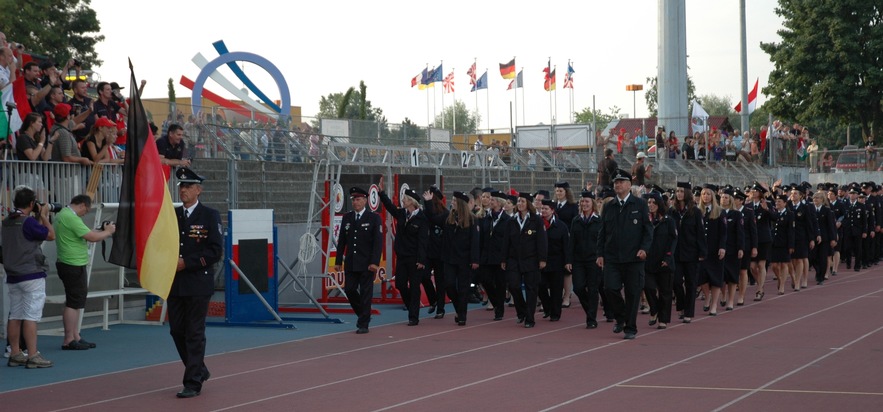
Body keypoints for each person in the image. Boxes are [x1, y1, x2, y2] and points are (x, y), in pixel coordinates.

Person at [168, 168, 223, 398]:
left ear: (198, 190)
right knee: (176, 331)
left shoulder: (209, 215)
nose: (183, 190)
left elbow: (215, 250)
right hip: (175, 283)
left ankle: (192, 382)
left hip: (198, 282)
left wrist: (188, 263)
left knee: (194, 332)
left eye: (188, 186)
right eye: (181, 186)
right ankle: (199, 368)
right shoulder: (172, 215)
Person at [53, 194, 116, 351]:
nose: (85, 214)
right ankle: (69, 339)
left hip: (69, 262)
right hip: (72, 263)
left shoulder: (63, 214)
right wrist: (107, 232)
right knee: (73, 302)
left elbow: (85, 233)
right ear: (82, 205)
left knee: (75, 301)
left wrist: (100, 230)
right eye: (86, 211)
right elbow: (92, 237)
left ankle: (75, 336)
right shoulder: (71, 217)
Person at [3, 186, 55, 369]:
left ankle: (16, 352)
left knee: (15, 315)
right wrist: (43, 216)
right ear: (32, 204)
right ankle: (33, 355)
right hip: (31, 274)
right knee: (31, 316)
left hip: (13, 275)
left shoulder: (7, 221)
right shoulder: (28, 222)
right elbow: (50, 235)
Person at [596, 169, 652, 339]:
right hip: (612, 257)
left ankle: (630, 328)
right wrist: (600, 253)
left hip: (634, 258)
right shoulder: (609, 205)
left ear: (629, 185)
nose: (618, 185)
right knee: (610, 288)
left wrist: (644, 249)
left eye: (621, 182)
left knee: (633, 293)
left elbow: (648, 231)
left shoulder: (640, 204)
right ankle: (621, 317)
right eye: (615, 182)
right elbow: (603, 232)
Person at [378, 179, 428, 326]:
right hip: (402, 256)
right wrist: (382, 193)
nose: (402, 201)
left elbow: (423, 240)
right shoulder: (401, 214)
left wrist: (421, 259)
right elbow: (389, 206)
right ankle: (410, 304)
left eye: (405, 199)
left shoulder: (422, 218)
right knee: (400, 283)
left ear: (412, 202)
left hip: (415, 258)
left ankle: (414, 316)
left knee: (414, 286)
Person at [334, 187, 383, 334]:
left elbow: (377, 243)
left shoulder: (373, 218)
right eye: (354, 200)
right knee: (349, 289)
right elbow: (342, 240)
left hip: (367, 263)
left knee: (366, 292)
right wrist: (338, 261)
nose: (355, 202)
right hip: (351, 262)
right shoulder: (347, 217)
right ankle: (363, 313)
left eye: (358, 199)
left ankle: (363, 324)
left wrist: (374, 262)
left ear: (365, 201)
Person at [501, 192, 546, 328]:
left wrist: (542, 258)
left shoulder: (536, 220)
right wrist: (504, 259)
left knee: (531, 288)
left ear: (528, 204)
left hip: (531, 259)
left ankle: (529, 318)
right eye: (519, 201)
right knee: (513, 285)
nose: (520, 204)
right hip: (514, 259)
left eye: (523, 201)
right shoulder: (512, 221)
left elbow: (541, 240)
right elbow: (506, 241)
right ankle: (521, 311)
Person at [434, 191, 479, 326]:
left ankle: (462, 315)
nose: (451, 202)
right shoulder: (449, 218)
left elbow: (475, 241)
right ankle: (459, 309)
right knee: (449, 285)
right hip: (449, 258)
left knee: (464, 288)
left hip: (465, 259)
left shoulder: (472, 220)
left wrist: (475, 259)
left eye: (454, 200)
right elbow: (432, 218)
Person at [566, 190, 604, 328]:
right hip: (578, 260)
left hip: (594, 260)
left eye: (587, 201)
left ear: (592, 203)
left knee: (593, 289)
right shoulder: (576, 220)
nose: (584, 204)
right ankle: (590, 310)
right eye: (582, 201)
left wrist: (602, 256)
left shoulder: (599, 221)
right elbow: (571, 242)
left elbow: (603, 241)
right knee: (578, 287)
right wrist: (569, 260)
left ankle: (591, 319)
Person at [670, 182, 706, 323]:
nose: (679, 193)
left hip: (692, 252)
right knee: (676, 281)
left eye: (681, 191)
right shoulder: (672, 211)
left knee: (691, 283)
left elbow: (700, 233)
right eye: (677, 191)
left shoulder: (695, 212)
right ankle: (681, 304)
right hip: (676, 253)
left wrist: (702, 252)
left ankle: (688, 312)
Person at [641, 191, 676, 329]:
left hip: (664, 260)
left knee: (665, 292)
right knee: (648, 286)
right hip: (648, 260)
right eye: (649, 202)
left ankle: (663, 319)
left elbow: (673, 240)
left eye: (654, 202)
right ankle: (654, 309)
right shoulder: (645, 219)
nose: (651, 205)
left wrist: (668, 257)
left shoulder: (668, 220)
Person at [477, 191, 511, 321]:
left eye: (492, 200)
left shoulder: (507, 220)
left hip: (500, 257)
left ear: (499, 203)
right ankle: (496, 301)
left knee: (500, 283)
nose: (490, 202)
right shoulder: (486, 219)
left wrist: (506, 257)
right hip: (486, 256)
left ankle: (499, 309)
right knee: (485, 279)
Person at [697, 185, 727, 316]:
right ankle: (706, 296)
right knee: (702, 277)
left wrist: (722, 247)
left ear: (713, 196)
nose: (705, 196)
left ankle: (714, 304)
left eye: (708, 194)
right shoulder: (697, 211)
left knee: (715, 278)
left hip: (715, 249)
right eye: (703, 194)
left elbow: (723, 232)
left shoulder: (720, 211)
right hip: (701, 250)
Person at [538, 199, 569, 322]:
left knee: (556, 289)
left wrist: (567, 261)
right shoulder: (537, 224)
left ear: (552, 210)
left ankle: (555, 313)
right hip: (541, 261)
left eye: (546, 209)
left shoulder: (561, 226)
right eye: (542, 209)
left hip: (556, 261)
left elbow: (566, 245)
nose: (543, 211)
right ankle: (547, 307)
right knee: (540, 285)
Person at [421, 186, 447, 317]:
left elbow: (434, 219)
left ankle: (440, 309)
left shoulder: (444, 213)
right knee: (424, 276)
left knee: (440, 281)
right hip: (428, 251)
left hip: (441, 252)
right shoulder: (426, 212)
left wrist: (428, 203)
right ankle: (433, 300)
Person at [718, 189, 744, 311]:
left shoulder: (736, 214)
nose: (724, 199)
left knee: (733, 277)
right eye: (722, 197)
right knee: (721, 276)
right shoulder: (717, 212)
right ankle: (723, 295)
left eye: (726, 197)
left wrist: (740, 248)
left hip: (733, 249)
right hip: (719, 249)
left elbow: (740, 233)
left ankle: (730, 300)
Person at [811, 191, 837, 285]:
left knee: (823, 258)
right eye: (814, 198)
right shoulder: (810, 209)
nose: (815, 200)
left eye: (817, 198)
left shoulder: (827, 211)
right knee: (812, 257)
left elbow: (831, 225)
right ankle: (818, 270)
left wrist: (833, 238)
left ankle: (820, 277)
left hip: (825, 238)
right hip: (813, 237)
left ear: (822, 200)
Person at [771, 194, 795, 294]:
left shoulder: (790, 214)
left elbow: (791, 231)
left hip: (785, 243)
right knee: (774, 266)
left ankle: (782, 286)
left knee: (784, 264)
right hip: (775, 243)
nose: (777, 203)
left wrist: (791, 245)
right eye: (776, 202)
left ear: (785, 203)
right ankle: (780, 278)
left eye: (779, 201)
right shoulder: (775, 213)